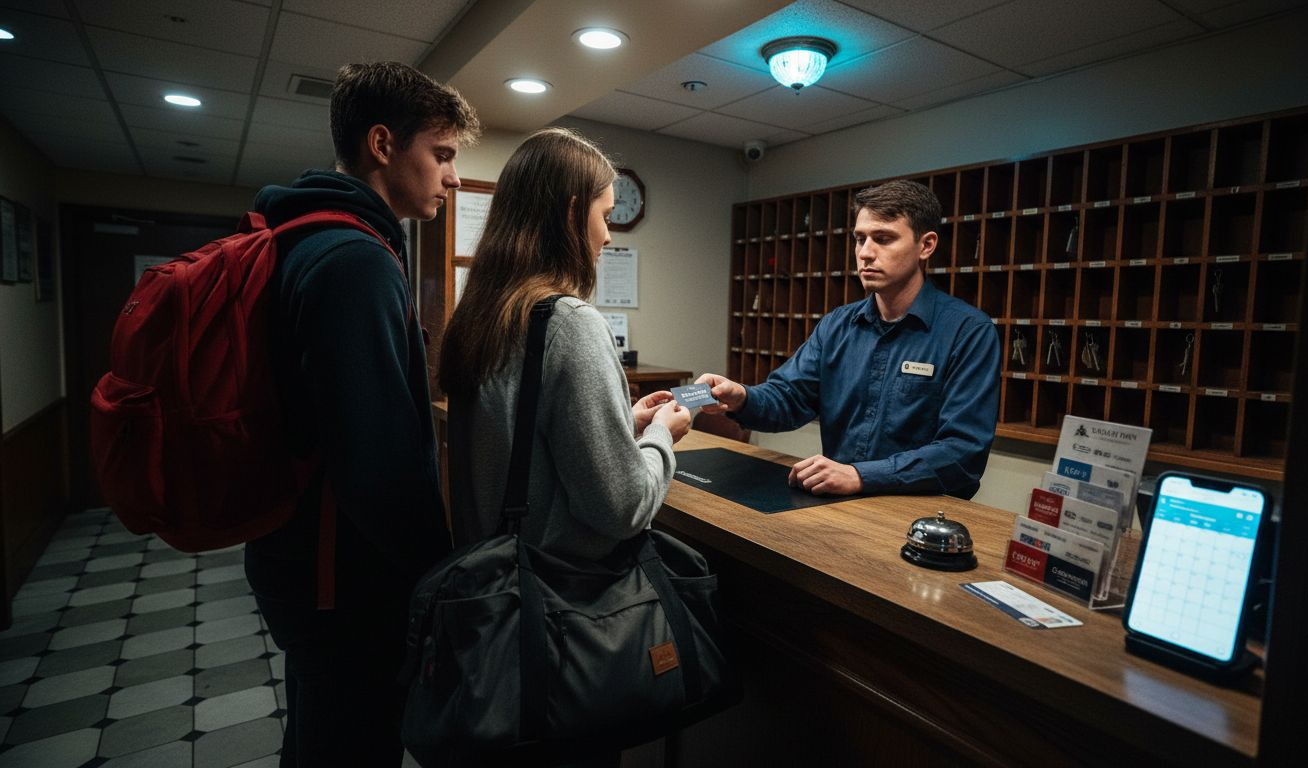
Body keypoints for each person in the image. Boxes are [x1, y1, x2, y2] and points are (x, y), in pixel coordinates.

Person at [243, 61, 479, 767]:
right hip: (341, 581)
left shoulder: (311, 238)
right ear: (382, 144)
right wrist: (437, 582)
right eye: (440, 155)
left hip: (302, 558)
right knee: (349, 744)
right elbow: (377, 463)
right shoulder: (355, 261)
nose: (453, 176)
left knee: (320, 732)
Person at [440, 126, 691, 563]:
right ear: (573, 212)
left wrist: (622, 423)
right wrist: (660, 437)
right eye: (606, 216)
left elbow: (522, 439)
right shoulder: (571, 324)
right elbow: (624, 508)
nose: (609, 237)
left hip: (488, 584)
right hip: (557, 602)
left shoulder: (481, 315)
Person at [698, 179, 1000, 500]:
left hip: (920, 515)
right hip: (840, 504)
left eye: (883, 239)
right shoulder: (838, 326)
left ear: (925, 245)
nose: (866, 253)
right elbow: (789, 399)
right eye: (860, 239)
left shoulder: (968, 332)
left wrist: (861, 475)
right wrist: (741, 397)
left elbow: (962, 452)